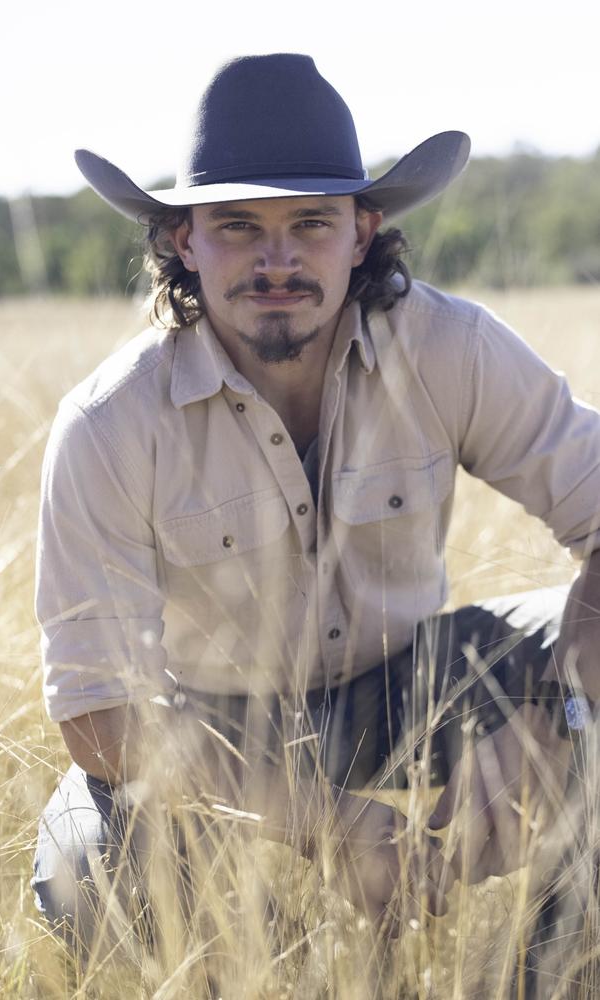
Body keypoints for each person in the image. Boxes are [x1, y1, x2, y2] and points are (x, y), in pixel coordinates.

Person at [32, 53, 600, 985]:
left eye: (311, 224)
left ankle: (551, 978)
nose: (279, 259)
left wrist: (558, 715)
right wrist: (328, 819)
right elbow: (98, 714)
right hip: (211, 721)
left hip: (413, 679)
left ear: (363, 231)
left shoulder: (451, 346)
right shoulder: (108, 424)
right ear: (183, 239)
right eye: (239, 227)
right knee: (86, 865)